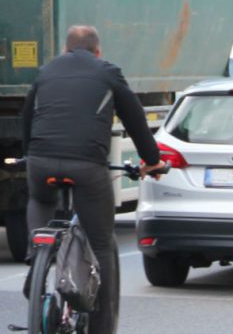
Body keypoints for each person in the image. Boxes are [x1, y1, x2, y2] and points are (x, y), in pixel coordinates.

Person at [21, 25, 167, 333]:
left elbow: (27, 117)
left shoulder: (46, 72)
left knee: (38, 200)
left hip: (40, 161)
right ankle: (102, 326)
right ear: (98, 51)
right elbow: (135, 119)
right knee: (102, 244)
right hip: (87, 167)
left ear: (66, 49)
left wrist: (28, 155)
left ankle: (36, 266)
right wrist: (152, 161)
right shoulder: (108, 72)